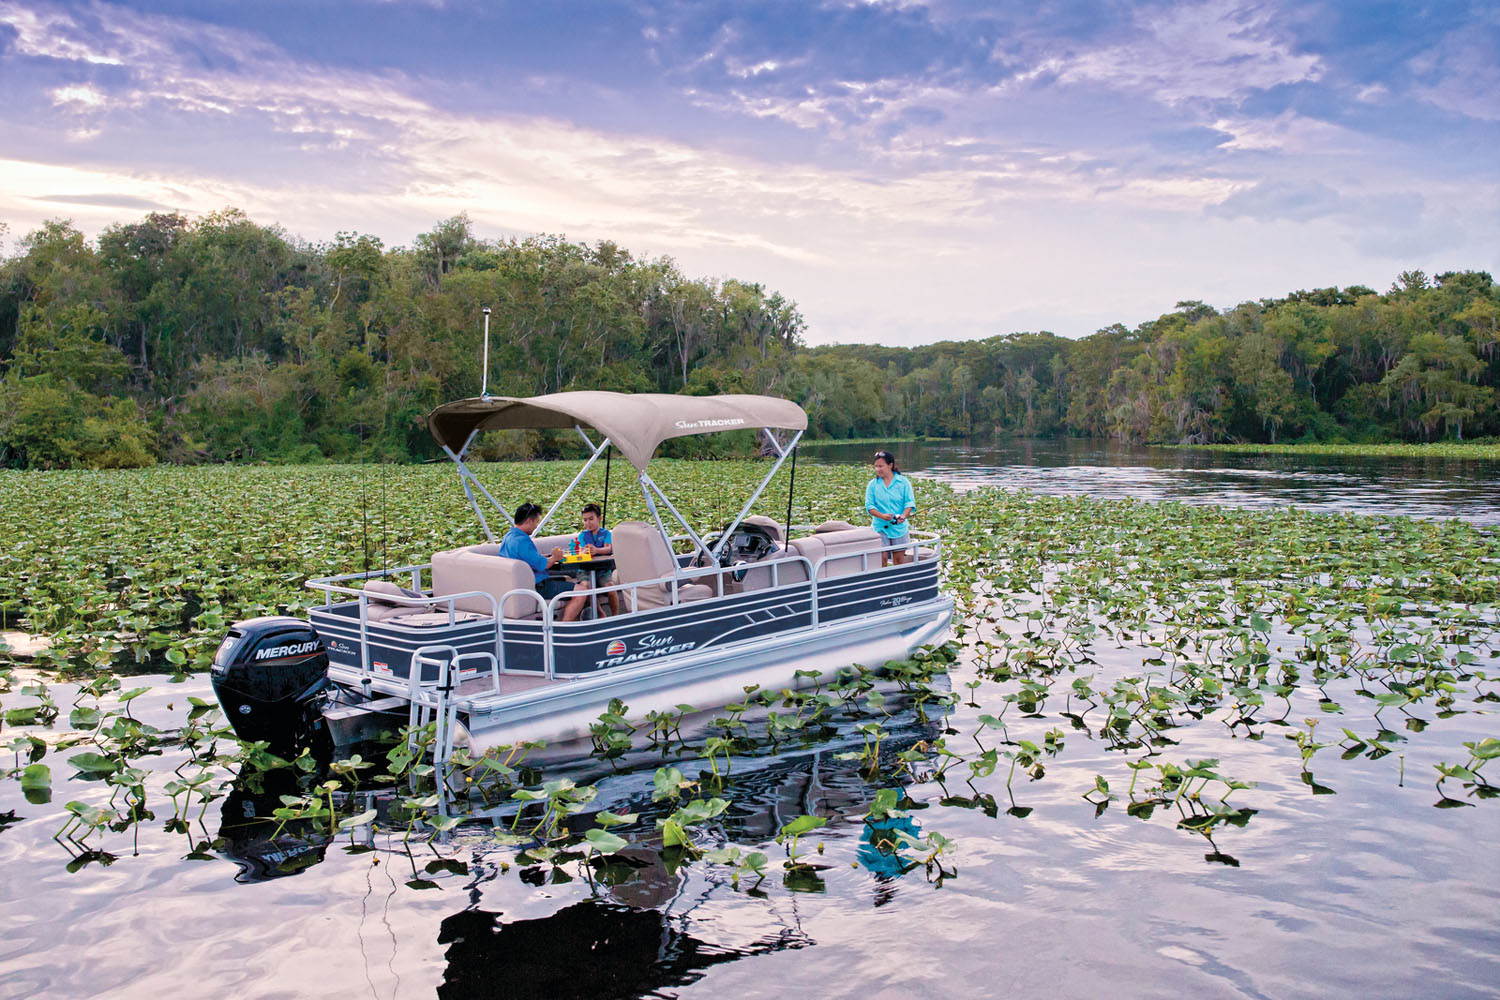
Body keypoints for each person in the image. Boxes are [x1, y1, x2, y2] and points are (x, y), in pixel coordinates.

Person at [498, 502, 590, 621]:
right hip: (535, 587)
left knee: (568, 578)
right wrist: (554, 557)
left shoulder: (509, 537)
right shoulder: (521, 541)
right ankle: (563, 629)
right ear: (529, 520)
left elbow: (528, 559)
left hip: (517, 585)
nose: (536, 526)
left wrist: (546, 557)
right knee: (582, 591)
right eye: (536, 522)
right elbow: (544, 565)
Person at [865, 450, 916, 566]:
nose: (878, 469)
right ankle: (882, 582)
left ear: (890, 465)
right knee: (881, 559)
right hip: (879, 527)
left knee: (898, 561)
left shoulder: (903, 482)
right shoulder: (873, 485)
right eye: (876, 467)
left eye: (881, 466)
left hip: (899, 528)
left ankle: (896, 583)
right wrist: (882, 516)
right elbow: (869, 506)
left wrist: (903, 516)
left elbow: (909, 503)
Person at [577, 502, 620, 616]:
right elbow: (581, 550)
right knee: (586, 586)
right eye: (585, 520)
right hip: (585, 569)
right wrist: (586, 551)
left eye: (591, 519)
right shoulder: (582, 535)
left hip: (602, 569)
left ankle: (616, 615)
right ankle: (600, 613)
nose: (588, 523)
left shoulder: (606, 534)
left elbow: (608, 548)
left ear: (599, 518)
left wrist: (596, 550)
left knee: (610, 587)